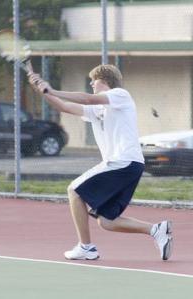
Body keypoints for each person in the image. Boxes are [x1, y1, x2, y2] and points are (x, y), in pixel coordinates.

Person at [28, 64, 173, 261]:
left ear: (104, 81)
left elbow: (87, 98)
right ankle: (156, 230)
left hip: (123, 162)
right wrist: (42, 91)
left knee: (74, 190)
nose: (91, 84)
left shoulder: (120, 95)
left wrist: (52, 89)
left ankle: (86, 247)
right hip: (130, 166)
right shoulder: (97, 109)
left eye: (93, 80)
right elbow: (64, 106)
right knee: (106, 221)